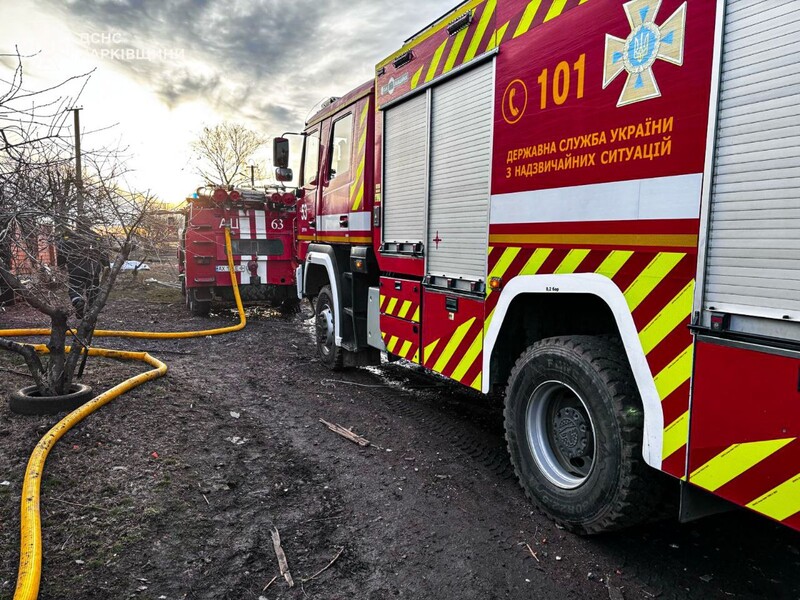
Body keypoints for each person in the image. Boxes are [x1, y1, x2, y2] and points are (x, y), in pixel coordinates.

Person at [56, 224, 109, 319]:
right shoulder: (95, 236)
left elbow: (61, 251)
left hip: (75, 268)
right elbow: (103, 252)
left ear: (77, 224)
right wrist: (106, 265)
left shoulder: (69, 236)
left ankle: (78, 302)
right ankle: (91, 313)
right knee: (93, 290)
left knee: (75, 288)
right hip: (93, 268)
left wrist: (61, 265)